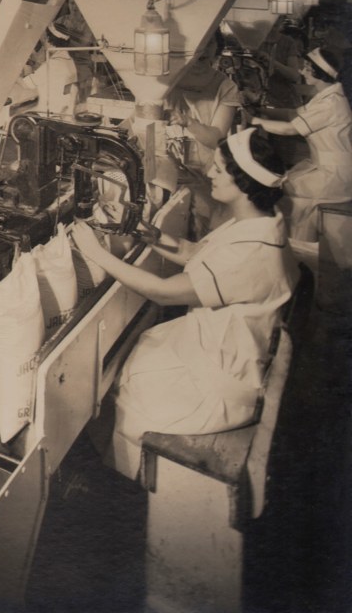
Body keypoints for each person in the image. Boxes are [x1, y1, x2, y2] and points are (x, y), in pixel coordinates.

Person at [70, 127, 298, 479]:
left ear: (244, 184)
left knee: (129, 394)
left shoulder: (253, 254)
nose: (209, 173)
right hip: (222, 347)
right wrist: (146, 232)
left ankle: (127, 482)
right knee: (141, 352)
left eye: (219, 169)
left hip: (222, 387)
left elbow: (164, 291)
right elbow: (196, 254)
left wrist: (94, 253)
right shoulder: (258, 224)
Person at [251, 46, 352, 241]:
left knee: (285, 192)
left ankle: (298, 245)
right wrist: (261, 109)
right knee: (287, 186)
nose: (302, 71)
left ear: (318, 73)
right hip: (328, 167)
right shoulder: (327, 96)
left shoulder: (330, 104)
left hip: (336, 176)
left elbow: (291, 129)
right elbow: (293, 114)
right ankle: (297, 241)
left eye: (306, 67)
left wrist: (254, 120)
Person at [165, 32, 241, 237]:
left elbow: (217, 138)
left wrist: (188, 122)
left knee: (202, 226)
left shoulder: (226, 86)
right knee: (167, 223)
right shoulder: (168, 80)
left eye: (210, 43)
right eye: (199, 42)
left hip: (205, 170)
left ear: (217, 49)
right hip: (170, 166)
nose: (203, 49)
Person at [9, 21, 79, 116]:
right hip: (63, 111)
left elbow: (26, 84)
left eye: (45, 39)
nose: (43, 42)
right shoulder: (69, 61)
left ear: (48, 39)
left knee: (14, 114)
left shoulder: (53, 64)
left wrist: (11, 71)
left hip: (49, 113)